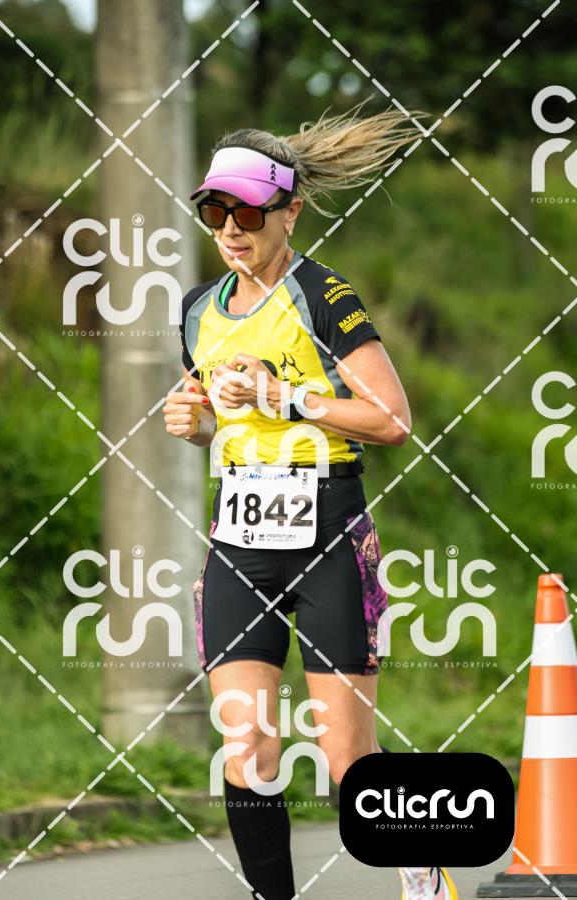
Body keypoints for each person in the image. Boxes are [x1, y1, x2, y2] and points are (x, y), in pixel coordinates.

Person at [163, 100, 458, 900]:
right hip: (240, 542)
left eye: (248, 214)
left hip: (328, 531)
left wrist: (288, 396)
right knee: (248, 749)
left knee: (345, 758)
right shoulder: (197, 310)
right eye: (215, 212)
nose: (231, 230)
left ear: (289, 212)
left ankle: (421, 871)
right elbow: (213, 416)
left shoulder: (323, 295)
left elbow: (391, 420)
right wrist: (193, 422)